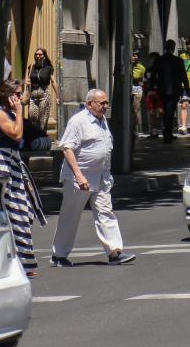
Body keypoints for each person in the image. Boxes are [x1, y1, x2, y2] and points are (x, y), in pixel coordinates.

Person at [51, 89, 136, 268]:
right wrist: (79, 176)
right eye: (101, 103)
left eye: (106, 103)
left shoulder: (102, 120)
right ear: (90, 104)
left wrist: (107, 175)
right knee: (70, 216)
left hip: (101, 178)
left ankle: (115, 252)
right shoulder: (78, 121)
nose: (105, 106)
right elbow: (67, 149)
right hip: (79, 179)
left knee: (106, 213)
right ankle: (59, 255)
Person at [0, 80, 46, 276]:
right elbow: (16, 135)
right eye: (16, 93)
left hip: (13, 165)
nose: (20, 97)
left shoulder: (10, 113)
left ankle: (21, 261)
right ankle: (16, 263)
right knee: (8, 213)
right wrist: (18, 112)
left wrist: (17, 111)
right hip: (0, 165)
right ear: (7, 95)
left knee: (22, 212)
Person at [149, 40, 188, 143]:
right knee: (170, 112)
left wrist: (151, 88)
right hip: (174, 90)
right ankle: (167, 134)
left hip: (162, 90)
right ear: (174, 48)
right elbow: (184, 75)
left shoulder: (159, 60)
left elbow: (153, 75)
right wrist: (187, 89)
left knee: (167, 111)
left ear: (165, 47)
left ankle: (168, 133)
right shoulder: (178, 60)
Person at [24, 47, 58, 132]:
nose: (38, 56)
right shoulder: (31, 66)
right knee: (32, 118)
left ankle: (41, 140)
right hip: (33, 95)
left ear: (44, 56)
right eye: (36, 54)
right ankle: (33, 140)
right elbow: (28, 79)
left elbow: (53, 82)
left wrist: (58, 95)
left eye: (40, 54)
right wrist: (26, 83)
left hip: (44, 95)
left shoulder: (49, 68)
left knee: (43, 120)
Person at [129, 51, 146, 135]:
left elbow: (136, 77)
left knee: (136, 109)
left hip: (137, 89)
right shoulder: (127, 66)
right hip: (128, 89)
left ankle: (138, 129)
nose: (134, 57)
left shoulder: (141, 68)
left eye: (135, 56)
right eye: (132, 56)